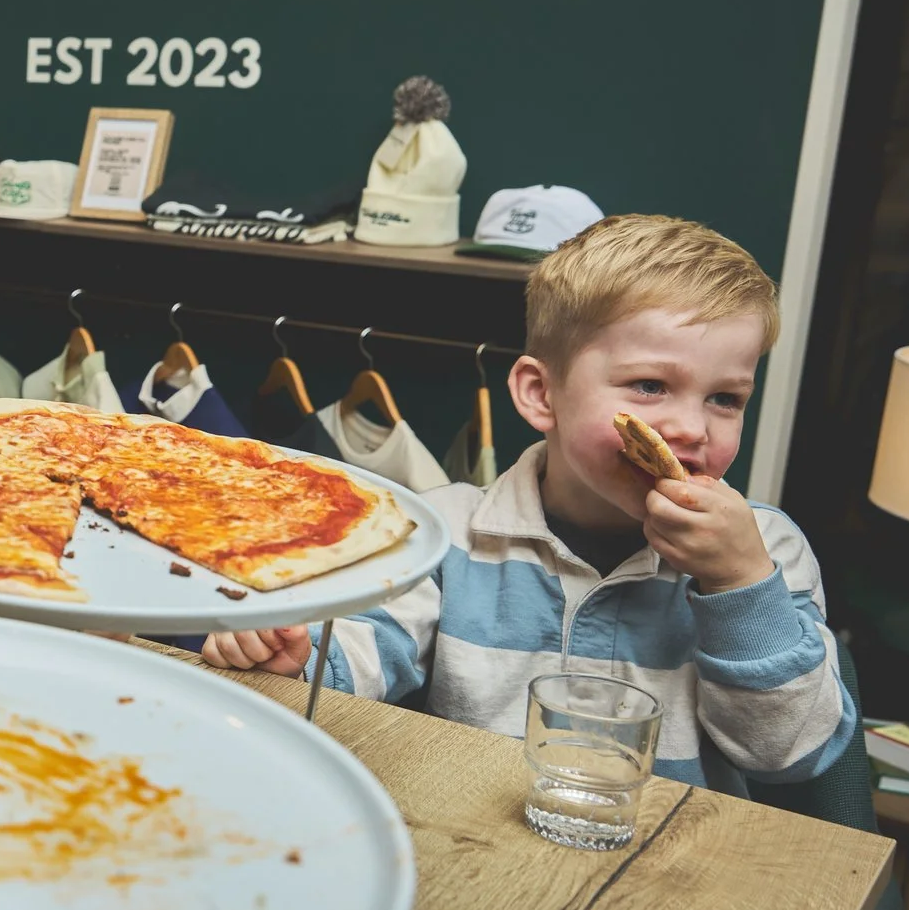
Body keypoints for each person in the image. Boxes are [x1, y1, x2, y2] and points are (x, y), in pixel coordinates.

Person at [201, 215, 855, 791]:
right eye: (651, 385)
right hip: (471, 845)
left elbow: (791, 754)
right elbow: (363, 653)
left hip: (669, 879)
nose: (691, 428)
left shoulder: (766, 551)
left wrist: (738, 582)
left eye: (725, 399)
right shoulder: (446, 529)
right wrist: (295, 653)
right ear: (542, 395)